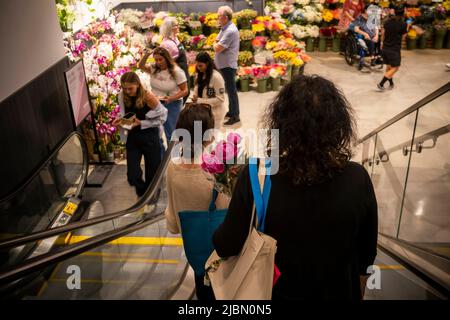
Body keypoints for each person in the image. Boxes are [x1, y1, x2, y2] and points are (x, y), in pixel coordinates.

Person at [213, 75, 378, 300]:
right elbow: (366, 256)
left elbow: (226, 244)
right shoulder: (358, 178)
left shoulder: (257, 176)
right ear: (339, 124)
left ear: (280, 124)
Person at [165, 103, 230, 300]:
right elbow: (228, 209)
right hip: (221, 251)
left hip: (195, 247)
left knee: (203, 288)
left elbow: (173, 216)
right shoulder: (215, 172)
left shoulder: (173, 166)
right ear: (209, 136)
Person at [113, 71, 167, 198]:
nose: (127, 91)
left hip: (150, 136)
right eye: (124, 88)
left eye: (130, 88)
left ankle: (151, 196)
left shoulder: (148, 97)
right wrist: (120, 119)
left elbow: (163, 117)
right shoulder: (122, 96)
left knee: (152, 174)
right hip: (133, 137)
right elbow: (124, 113)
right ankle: (144, 195)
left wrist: (142, 123)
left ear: (137, 84)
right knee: (132, 175)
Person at [138, 46, 188, 148]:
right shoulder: (153, 69)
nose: (158, 62)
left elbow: (185, 90)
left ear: (167, 58)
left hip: (173, 104)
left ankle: (173, 158)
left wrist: (171, 98)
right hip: (156, 103)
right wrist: (146, 55)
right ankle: (161, 156)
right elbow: (141, 65)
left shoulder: (177, 71)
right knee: (157, 131)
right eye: (156, 60)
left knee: (171, 132)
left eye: (160, 59)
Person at [214, 6, 240, 126]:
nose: (217, 18)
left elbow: (218, 47)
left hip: (228, 65)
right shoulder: (224, 28)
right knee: (230, 90)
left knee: (231, 90)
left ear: (225, 17)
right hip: (224, 64)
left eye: (219, 16)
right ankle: (232, 111)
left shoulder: (230, 30)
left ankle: (235, 116)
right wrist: (216, 42)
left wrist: (215, 43)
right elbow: (217, 41)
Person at [377, 6, 411, 91]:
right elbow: (403, 37)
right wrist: (407, 28)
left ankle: (391, 83)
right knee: (395, 67)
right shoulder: (403, 24)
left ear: (395, 12)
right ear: (403, 14)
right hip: (394, 49)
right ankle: (381, 83)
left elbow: (383, 34)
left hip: (385, 47)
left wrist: (381, 43)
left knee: (389, 67)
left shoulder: (387, 22)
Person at [159, 17, 190, 104]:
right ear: (171, 28)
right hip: (178, 73)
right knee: (182, 94)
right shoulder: (166, 44)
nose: (178, 26)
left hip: (183, 70)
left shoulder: (175, 38)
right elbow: (167, 62)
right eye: (177, 25)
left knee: (186, 93)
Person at [192, 52, 226, 129]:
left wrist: (200, 100)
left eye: (200, 66)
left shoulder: (216, 77)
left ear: (207, 63)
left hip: (214, 114)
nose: (198, 68)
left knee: (212, 138)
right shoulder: (199, 74)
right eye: (197, 66)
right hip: (201, 113)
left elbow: (220, 99)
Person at [352, 4, 380, 71]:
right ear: (365, 10)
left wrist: (376, 35)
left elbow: (376, 28)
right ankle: (372, 58)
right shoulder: (359, 18)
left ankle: (377, 57)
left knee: (379, 40)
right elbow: (356, 29)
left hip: (373, 35)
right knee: (371, 41)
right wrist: (365, 34)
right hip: (363, 35)